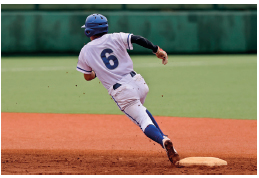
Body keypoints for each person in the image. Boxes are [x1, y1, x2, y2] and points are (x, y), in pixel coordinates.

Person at [77, 13, 180, 165]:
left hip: (122, 92)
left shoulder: (85, 51)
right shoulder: (115, 37)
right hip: (138, 82)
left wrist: (98, 71)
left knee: (143, 121)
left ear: (88, 32)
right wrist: (156, 49)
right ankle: (167, 143)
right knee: (142, 112)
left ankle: (163, 139)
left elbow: (87, 76)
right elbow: (137, 39)